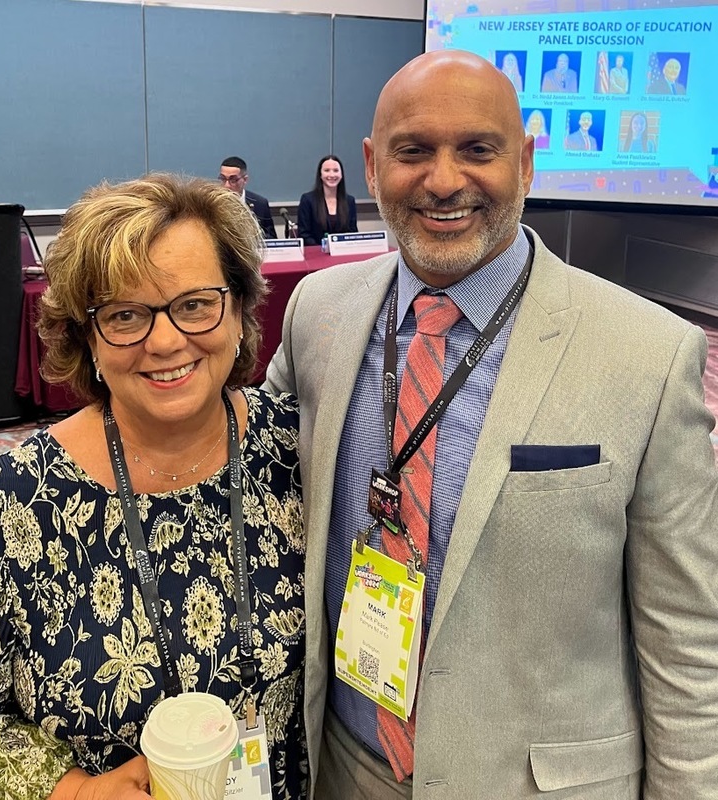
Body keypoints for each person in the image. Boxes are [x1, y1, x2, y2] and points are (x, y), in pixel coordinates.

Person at [265, 49, 718, 799]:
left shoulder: (647, 353)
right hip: (345, 769)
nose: (444, 181)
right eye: (414, 151)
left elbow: (687, 635)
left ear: (527, 163)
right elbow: (241, 471)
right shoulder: (318, 313)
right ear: (373, 166)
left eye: (477, 149)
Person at [0, 174, 307, 800]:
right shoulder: (15, 501)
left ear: (238, 309)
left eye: (194, 304)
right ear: (87, 339)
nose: (164, 340)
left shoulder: (297, 450)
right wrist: (73, 791)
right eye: (125, 315)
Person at [297, 155, 358, 247]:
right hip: (316, 255)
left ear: (341, 175)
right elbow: (304, 234)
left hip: (343, 253)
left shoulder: (349, 201)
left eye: (336, 170)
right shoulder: (307, 200)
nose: (332, 175)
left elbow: (352, 233)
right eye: (327, 170)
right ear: (320, 175)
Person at [219, 155, 277, 238]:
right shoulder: (212, 203)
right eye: (223, 179)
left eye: (233, 180)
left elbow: (271, 238)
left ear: (245, 180)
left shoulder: (259, 204)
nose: (227, 185)